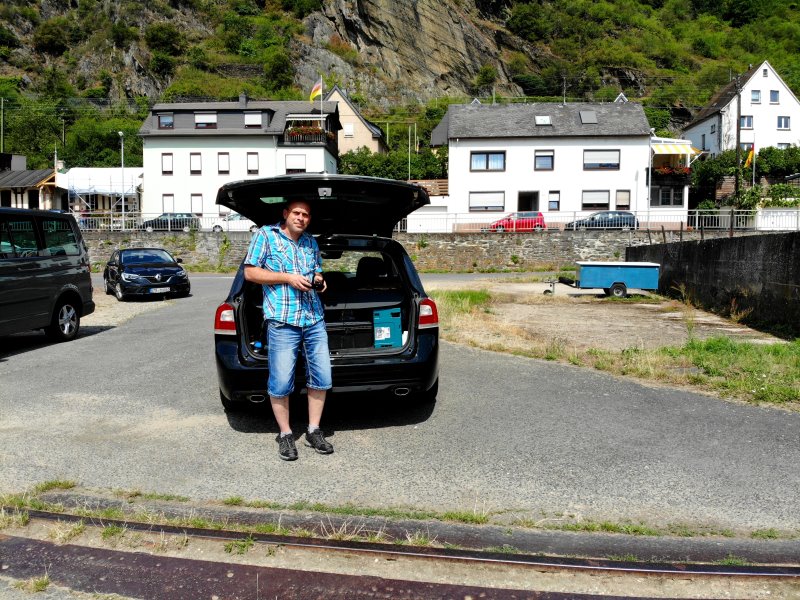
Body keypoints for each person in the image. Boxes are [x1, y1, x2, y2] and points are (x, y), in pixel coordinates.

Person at [243, 200, 333, 461]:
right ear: (285, 214)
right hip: (283, 320)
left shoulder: (310, 242)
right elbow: (250, 273)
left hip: (313, 319)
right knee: (281, 382)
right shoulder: (266, 236)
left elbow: (317, 271)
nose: (301, 218)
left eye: (306, 214)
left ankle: (314, 431)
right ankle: (285, 434)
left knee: (322, 378)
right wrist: (288, 277)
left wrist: (319, 280)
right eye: (297, 213)